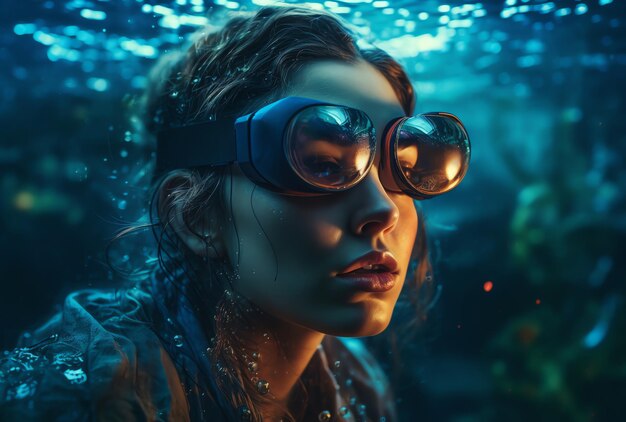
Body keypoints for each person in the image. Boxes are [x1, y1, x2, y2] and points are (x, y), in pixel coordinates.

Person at [0, 5, 470, 421]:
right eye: (323, 166)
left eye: (404, 167)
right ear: (193, 217)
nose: (383, 209)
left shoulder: (355, 382)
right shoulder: (88, 393)